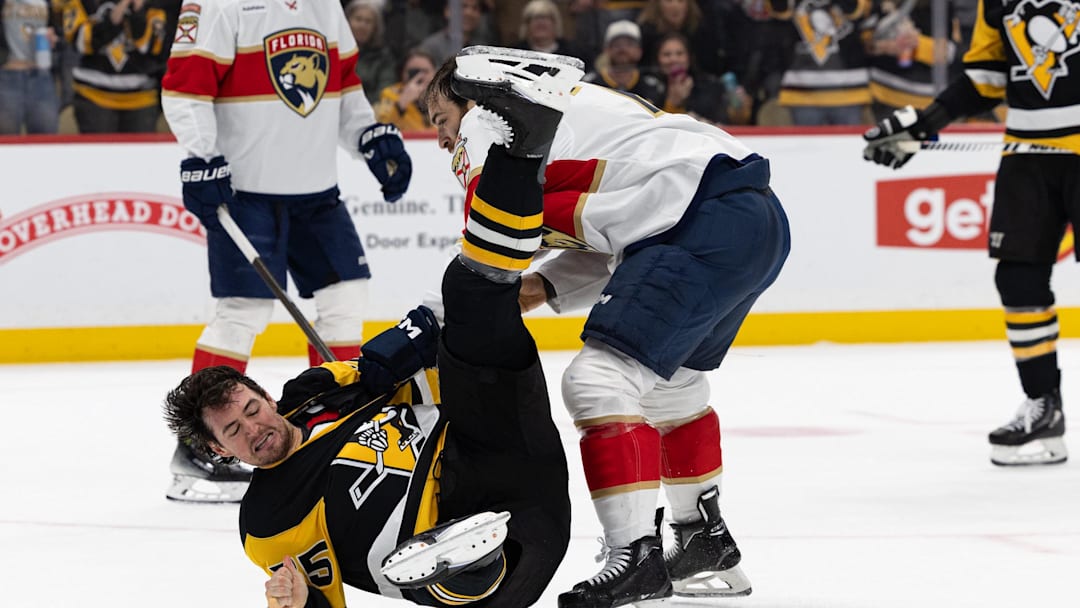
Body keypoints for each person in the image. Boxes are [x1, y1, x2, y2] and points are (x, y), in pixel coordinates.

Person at [163, 59, 574, 607]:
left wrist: (419, 333)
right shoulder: (267, 521)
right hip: (493, 542)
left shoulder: (313, 394)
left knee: (468, 289)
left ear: (264, 395)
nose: (253, 429)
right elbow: (323, 603)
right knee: (458, 580)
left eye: (250, 409)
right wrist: (297, 602)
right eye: (234, 431)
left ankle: (524, 143)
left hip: (491, 435)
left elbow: (392, 360)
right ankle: (465, 561)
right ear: (219, 451)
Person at [425, 46, 790, 607]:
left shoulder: (494, 117)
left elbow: (487, 233)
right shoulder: (557, 114)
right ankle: (703, 542)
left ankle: (635, 558)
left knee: (598, 382)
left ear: (474, 99)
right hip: (744, 216)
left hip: (692, 220)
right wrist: (538, 288)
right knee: (672, 387)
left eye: (441, 121)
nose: (443, 141)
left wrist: (433, 315)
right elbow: (606, 240)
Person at [159, 0, 413, 502]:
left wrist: (370, 135)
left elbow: (341, 86)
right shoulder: (218, 4)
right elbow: (186, 86)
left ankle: (339, 428)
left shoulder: (324, 6)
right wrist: (201, 154)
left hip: (317, 192)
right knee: (243, 312)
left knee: (346, 299)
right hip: (245, 191)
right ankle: (197, 450)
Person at [862, 0, 1071, 467]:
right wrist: (928, 121)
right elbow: (987, 78)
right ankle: (1044, 407)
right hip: (1028, 153)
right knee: (1018, 280)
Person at [56, 0, 174, 133]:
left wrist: (138, 12)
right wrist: (113, 19)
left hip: (141, 98)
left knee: (139, 153)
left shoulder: (154, 4)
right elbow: (79, 42)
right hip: (93, 97)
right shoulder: (83, 3)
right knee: (99, 153)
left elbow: (156, 47)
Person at [769, 0, 872, 125]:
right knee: (807, 144)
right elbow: (779, 8)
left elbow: (855, 11)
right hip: (803, 93)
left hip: (849, 92)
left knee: (847, 143)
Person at [655, 32, 750, 125]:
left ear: (689, 58)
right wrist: (673, 102)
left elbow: (728, 122)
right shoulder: (650, 87)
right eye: (667, 55)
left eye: (679, 54)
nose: (673, 59)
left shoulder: (710, 86)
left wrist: (740, 110)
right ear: (658, 59)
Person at [0, 0, 62, 134]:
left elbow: (62, 32)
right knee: (5, 142)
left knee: (46, 141)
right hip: (6, 76)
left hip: (41, 76)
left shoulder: (50, 3)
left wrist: (54, 38)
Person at [582, 19, 665, 108]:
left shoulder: (653, 86)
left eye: (629, 44)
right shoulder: (588, 84)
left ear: (639, 51)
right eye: (617, 44)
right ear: (606, 50)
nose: (623, 49)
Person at [345, 0, 398, 106]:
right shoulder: (334, 50)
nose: (362, 25)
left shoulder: (384, 57)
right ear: (347, 21)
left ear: (375, 27)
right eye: (358, 19)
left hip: (368, 112)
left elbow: (384, 91)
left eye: (368, 21)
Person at [374, 49, 438, 132]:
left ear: (435, 73)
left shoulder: (443, 97)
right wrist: (400, 105)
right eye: (413, 72)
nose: (420, 76)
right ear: (403, 74)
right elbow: (382, 126)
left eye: (425, 71)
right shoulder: (390, 95)